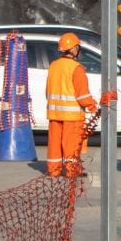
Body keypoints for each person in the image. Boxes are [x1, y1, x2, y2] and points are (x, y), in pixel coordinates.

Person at [45, 32, 98, 178]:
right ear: (74, 49)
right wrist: (93, 106)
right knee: (71, 145)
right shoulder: (76, 68)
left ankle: (54, 170)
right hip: (72, 116)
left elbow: (47, 91)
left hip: (54, 114)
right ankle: (71, 170)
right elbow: (83, 95)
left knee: (54, 144)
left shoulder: (53, 66)